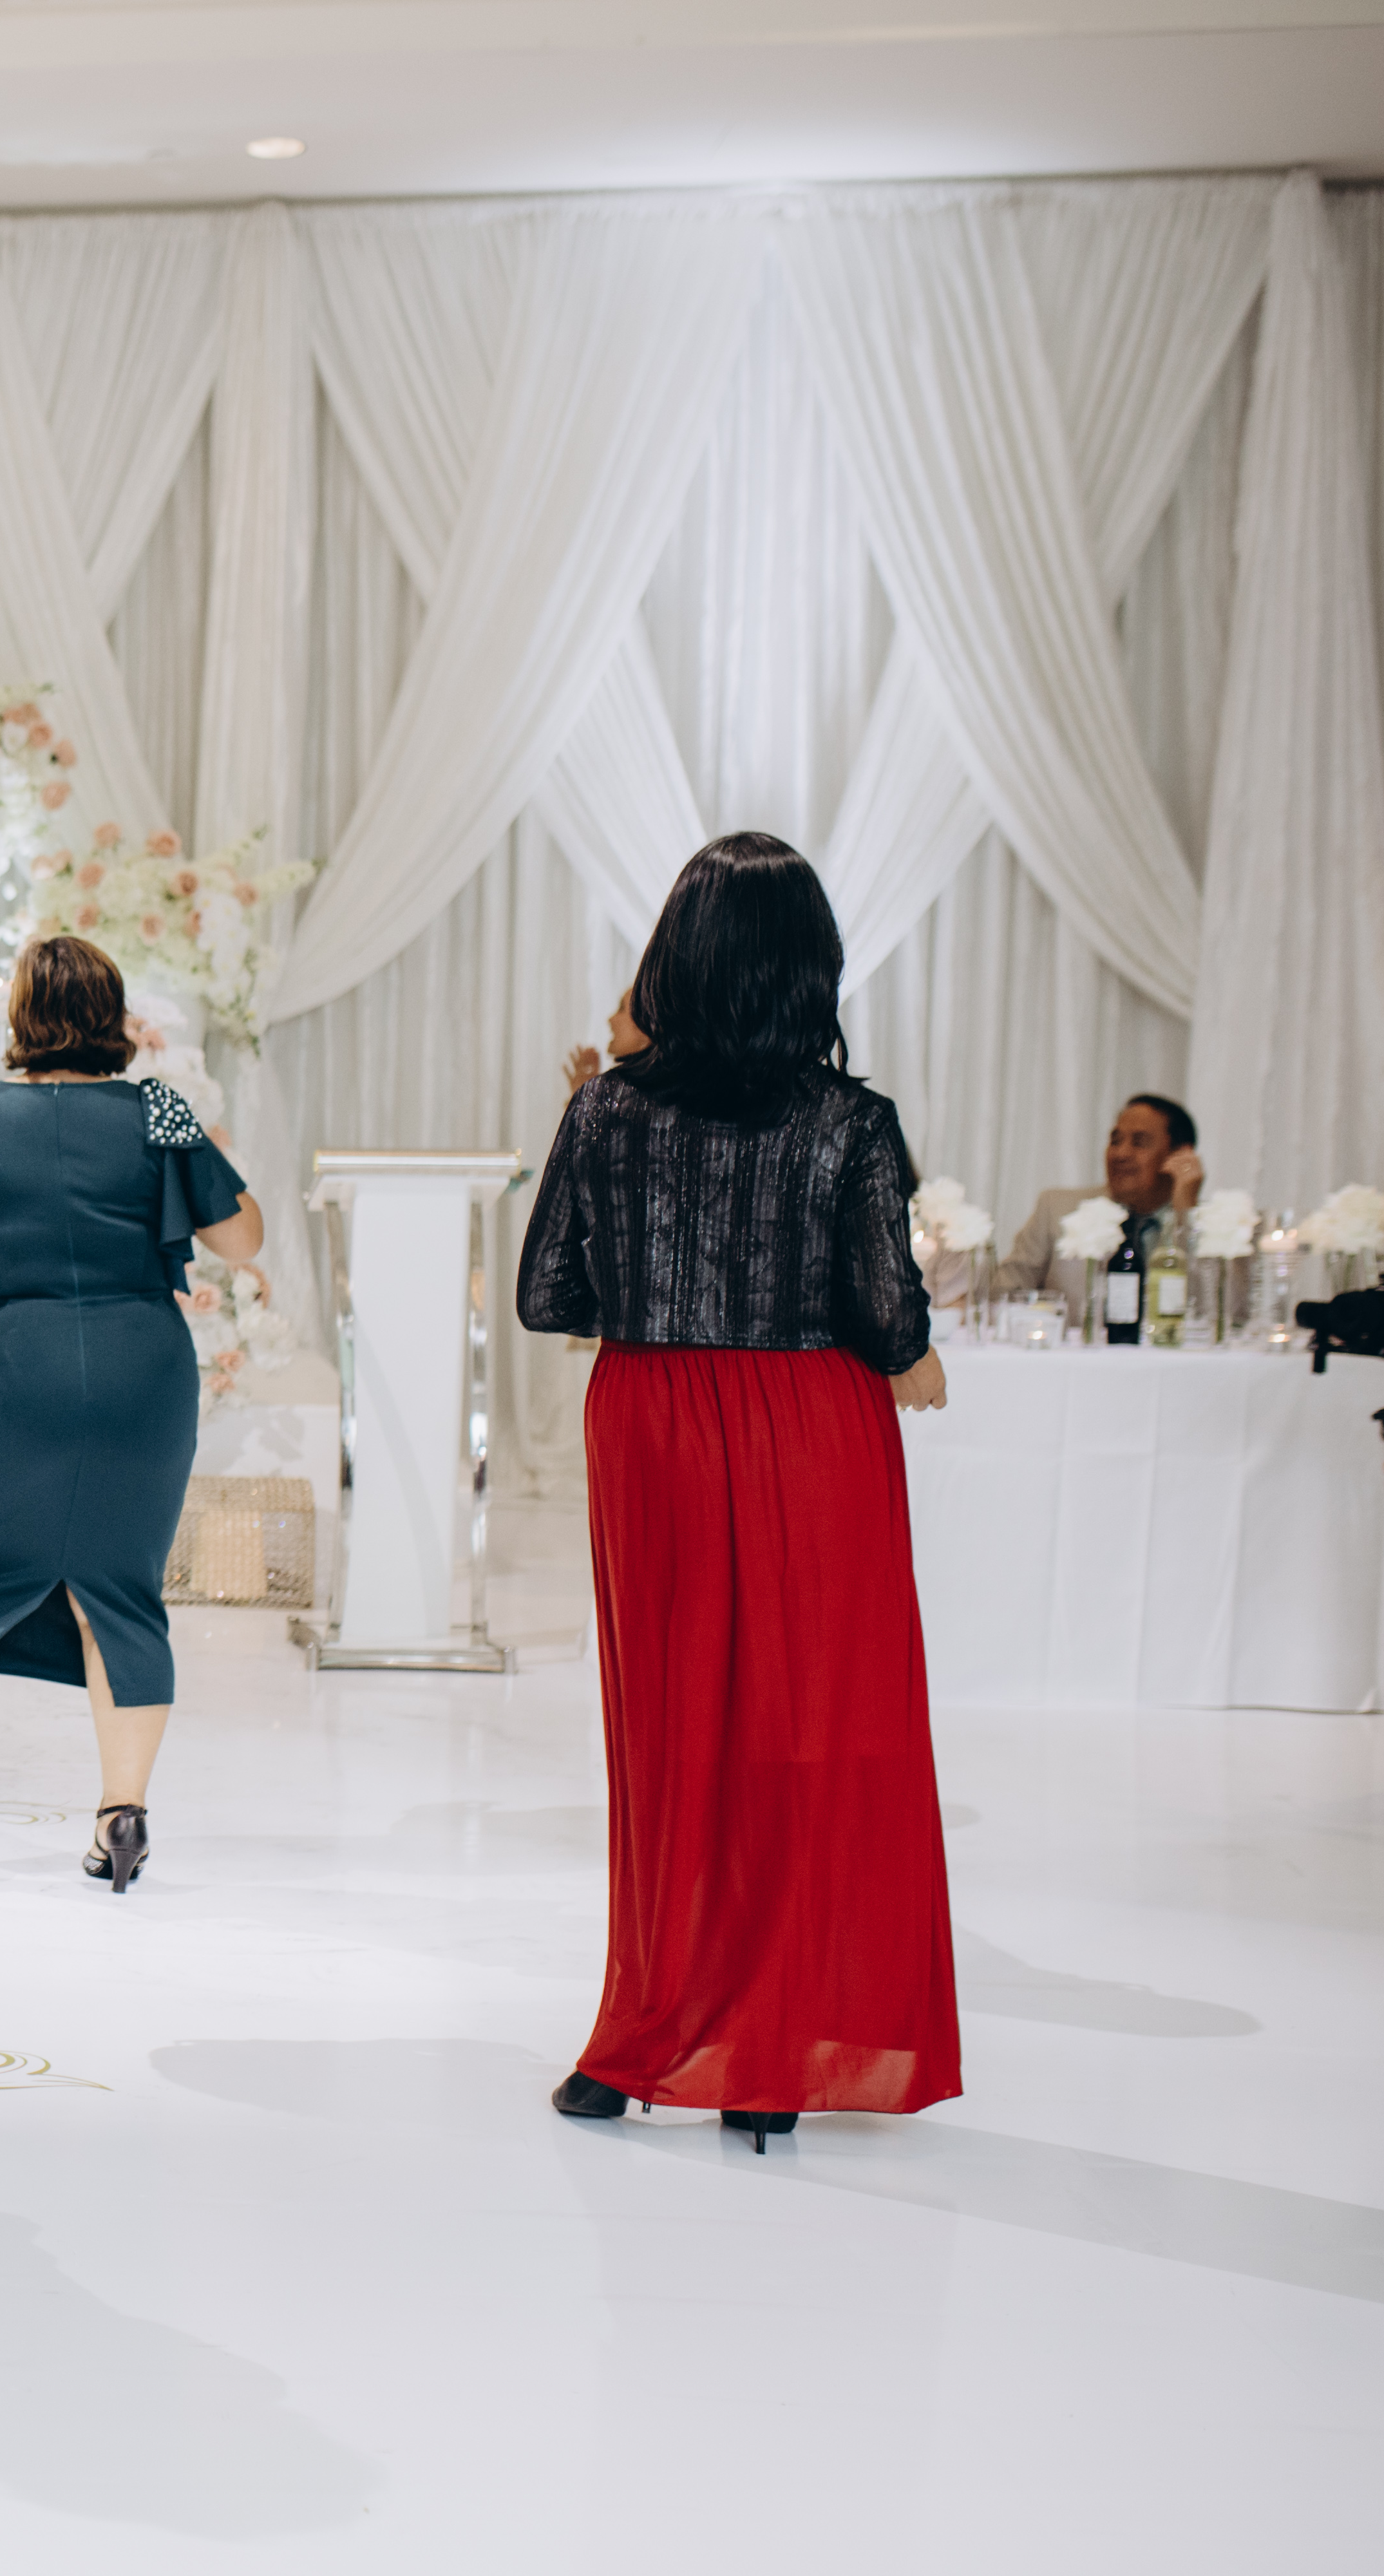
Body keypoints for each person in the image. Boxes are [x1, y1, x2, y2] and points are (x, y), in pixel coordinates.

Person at [517, 831, 958, 2148]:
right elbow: (887, 1315)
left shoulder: (606, 1109)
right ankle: (770, 2053)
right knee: (803, 1730)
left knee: (668, 1742)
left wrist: (659, 1280)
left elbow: (548, 1294)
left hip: (652, 1421)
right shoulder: (851, 1122)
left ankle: (637, 2037)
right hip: (813, 1429)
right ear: (810, 969)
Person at [0, 933, 261, 1889]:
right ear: (114, 1017)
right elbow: (243, 1240)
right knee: (121, 1593)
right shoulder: (158, 1111)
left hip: (24, 1368)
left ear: (20, 1018)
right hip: (145, 1370)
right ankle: (122, 1816)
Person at [977, 1094, 1205, 1306]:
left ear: (1180, 1155)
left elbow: (1210, 1309)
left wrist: (1186, 1213)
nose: (1121, 1154)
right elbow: (1001, 1295)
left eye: (1139, 1142)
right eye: (1115, 1141)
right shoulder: (1058, 1210)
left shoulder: (1212, 1228)